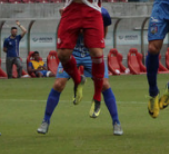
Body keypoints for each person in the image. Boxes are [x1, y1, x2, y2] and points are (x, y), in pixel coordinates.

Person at [52, 0, 118, 119]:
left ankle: (97, 98)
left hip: (92, 11)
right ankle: (78, 80)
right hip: (72, 8)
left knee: (97, 54)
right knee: (63, 55)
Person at [38, 8, 122, 136]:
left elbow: (103, 34)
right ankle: (45, 121)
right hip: (73, 51)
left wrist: (95, 45)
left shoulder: (101, 13)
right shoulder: (70, 9)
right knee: (58, 84)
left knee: (104, 84)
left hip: (91, 52)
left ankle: (116, 122)